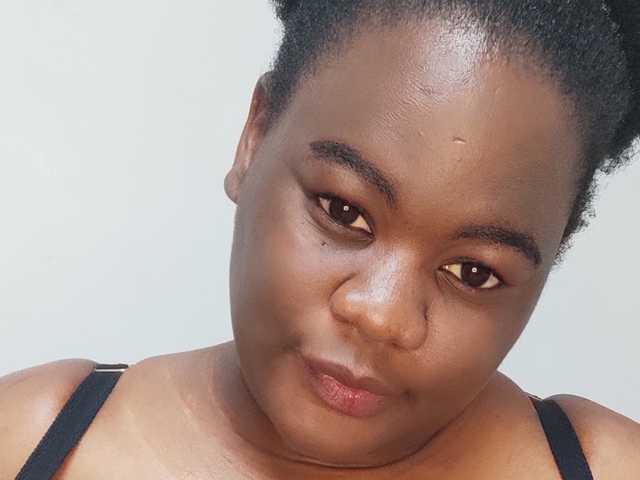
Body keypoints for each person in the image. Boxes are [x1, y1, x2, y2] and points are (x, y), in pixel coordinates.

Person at [2, 1, 640, 478]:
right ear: (254, 136)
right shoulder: (30, 439)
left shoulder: (609, 466)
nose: (382, 316)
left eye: (474, 272)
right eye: (343, 211)